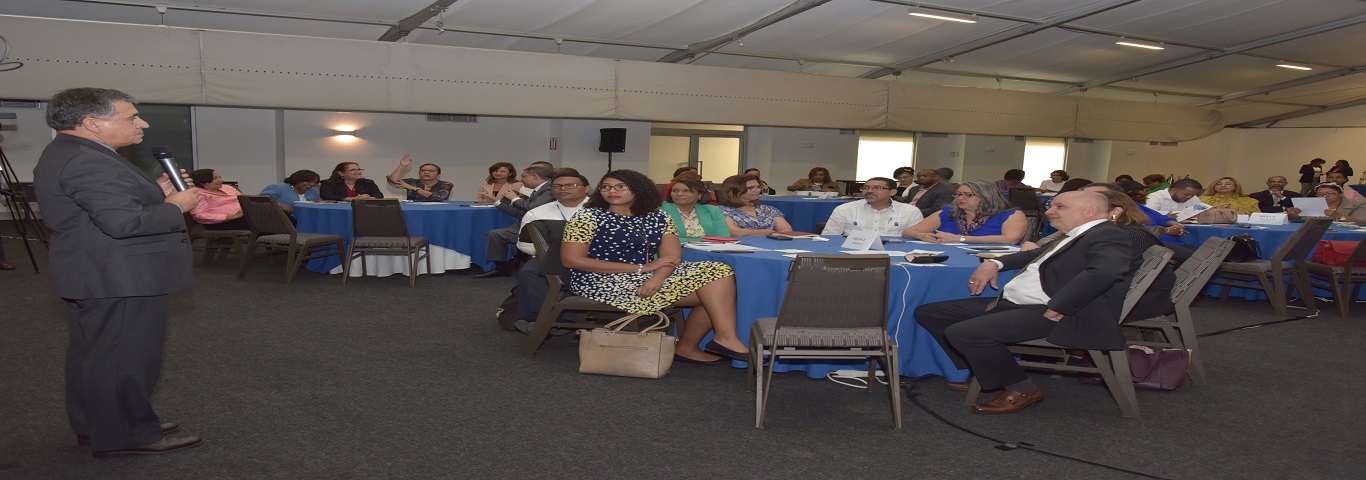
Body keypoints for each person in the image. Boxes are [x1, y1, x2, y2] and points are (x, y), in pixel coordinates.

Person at [32, 87, 203, 456]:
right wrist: (175, 206)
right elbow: (123, 223)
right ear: (93, 123)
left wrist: (154, 192)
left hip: (96, 270)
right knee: (126, 359)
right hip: (120, 274)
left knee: (95, 357)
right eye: (131, 117)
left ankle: (99, 425)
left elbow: (106, 205)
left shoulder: (71, 151)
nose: (142, 122)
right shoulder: (88, 159)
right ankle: (129, 433)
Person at [915, 191, 1148, 414]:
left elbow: (1105, 272)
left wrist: (1060, 306)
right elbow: (1031, 255)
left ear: (1090, 211)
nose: (1049, 212)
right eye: (1051, 205)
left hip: (1062, 313)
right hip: (1022, 304)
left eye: (1060, 207)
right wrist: (994, 264)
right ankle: (983, 370)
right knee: (930, 313)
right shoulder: (1078, 234)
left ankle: (1022, 388)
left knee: (965, 333)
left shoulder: (1109, 234)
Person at [562, 169, 749, 365]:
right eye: (606, 186)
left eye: (621, 186)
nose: (612, 191)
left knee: (719, 272)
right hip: (600, 279)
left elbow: (672, 256)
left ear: (639, 190)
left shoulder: (658, 216)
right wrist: (642, 269)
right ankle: (699, 345)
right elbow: (572, 260)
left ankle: (717, 340)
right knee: (715, 294)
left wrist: (657, 277)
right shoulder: (587, 217)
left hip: (647, 275)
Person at [510, 172, 594, 334]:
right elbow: (523, 244)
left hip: (593, 257)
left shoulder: (602, 210)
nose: (563, 189)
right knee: (529, 272)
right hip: (550, 255)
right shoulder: (538, 213)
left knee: (579, 273)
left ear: (587, 189)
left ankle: (564, 319)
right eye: (558, 186)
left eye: (571, 185)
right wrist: (549, 252)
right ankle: (535, 317)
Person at [478, 164, 556, 278]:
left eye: (524, 176)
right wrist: (498, 202)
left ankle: (508, 266)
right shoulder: (537, 190)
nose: (521, 179)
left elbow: (530, 207)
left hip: (537, 228)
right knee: (495, 234)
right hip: (524, 225)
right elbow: (519, 212)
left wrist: (514, 198)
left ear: (534, 176)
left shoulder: (548, 189)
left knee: (497, 234)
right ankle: (501, 268)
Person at [901, 180, 1026, 245]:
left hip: (991, 262)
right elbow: (908, 231)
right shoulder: (948, 212)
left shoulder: (1010, 215)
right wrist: (922, 236)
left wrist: (959, 239)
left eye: (968, 195)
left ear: (986, 196)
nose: (960, 198)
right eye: (959, 194)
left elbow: (1011, 239)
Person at [823, 177, 923, 236]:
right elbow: (830, 236)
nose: (869, 191)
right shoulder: (844, 209)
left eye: (877, 188)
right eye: (866, 188)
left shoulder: (911, 211)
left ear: (892, 192)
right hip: (853, 253)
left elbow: (917, 238)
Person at [170, 169, 247, 230]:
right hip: (219, 222)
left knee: (257, 217)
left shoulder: (227, 187)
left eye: (220, 177)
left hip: (244, 215)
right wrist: (231, 216)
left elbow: (245, 200)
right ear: (202, 182)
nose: (221, 180)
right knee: (256, 221)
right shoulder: (197, 194)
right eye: (215, 178)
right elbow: (200, 215)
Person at [719, 174, 795, 236]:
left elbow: (787, 231)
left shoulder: (768, 209)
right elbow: (736, 233)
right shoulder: (722, 211)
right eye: (751, 188)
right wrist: (768, 232)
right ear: (735, 190)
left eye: (759, 187)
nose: (758, 190)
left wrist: (749, 232)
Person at [660, 178, 730, 244]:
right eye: (675, 191)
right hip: (672, 252)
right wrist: (703, 240)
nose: (679, 194)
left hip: (707, 252)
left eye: (686, 191)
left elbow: (723, 238)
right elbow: (662, 239)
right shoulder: (661, 210)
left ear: (699, 195)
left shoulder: (712, 210)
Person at [1287, 184, 1366, 224]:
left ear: (1341, 194)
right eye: (1320, 194)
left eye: (1330, 193)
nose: (1325, 196)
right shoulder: (1309, 203)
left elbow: (1361, 220)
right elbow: (1298, 219)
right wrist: (1292, 214)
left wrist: (1339, 216)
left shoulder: (1358, 204)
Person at [386, 154, 452, 202]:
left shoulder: (446, 184)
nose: (426, 172)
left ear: (438, 174)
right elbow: (392, 182)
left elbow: (439, 197)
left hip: (437, 212)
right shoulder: (412, 182)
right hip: (414, 211)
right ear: (419, 173)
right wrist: (402, 166)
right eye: (423, 170)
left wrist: (413, 188)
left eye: (431, 171)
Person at [319, 162, 384, 200]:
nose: (358, 172)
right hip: (339, 211)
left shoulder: (368, 183)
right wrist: (352, 199)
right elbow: (327, 196)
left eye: (359, 169)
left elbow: (379, 196)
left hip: (363, 211)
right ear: (341, 173)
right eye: (353, 170)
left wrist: (369, 198)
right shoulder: (328, 183)